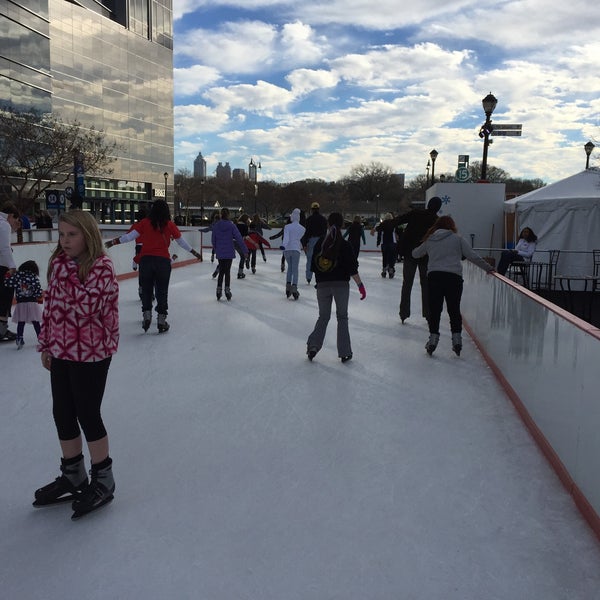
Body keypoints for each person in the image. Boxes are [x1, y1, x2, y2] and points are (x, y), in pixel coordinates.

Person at [34, 210, 119, 519]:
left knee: (87, 413)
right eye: (61, 234)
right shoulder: (58, 265)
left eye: (72, 234)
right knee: (63, 412)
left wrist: (65, 272)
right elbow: (52, 307)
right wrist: (46, 344)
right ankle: (74, 475)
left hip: (93, 351)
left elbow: (85, 307)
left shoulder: (102, 267)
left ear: (88, 235)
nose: (64, 241)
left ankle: (104, 479)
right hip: (62, 349)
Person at [105, 200, 201, 332]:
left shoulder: (144, 223)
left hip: (146, 261)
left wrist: (112, 242)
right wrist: (194, 252)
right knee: (162, 291)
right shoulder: (170, 225)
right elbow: (181, 242)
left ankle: (147, 316)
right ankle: (161, 320)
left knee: (146, 290)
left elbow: (129, 237)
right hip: (163, 262)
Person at [412, 215, 495, 357]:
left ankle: (433, 339)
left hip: (435, 277)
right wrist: (488, 267)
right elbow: (472, 255)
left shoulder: (430, 239)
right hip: (454, 278)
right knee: (454, 309)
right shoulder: (458, 239)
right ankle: (457, 340)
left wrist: (428, 251)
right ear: (452, 226)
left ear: (437, 225)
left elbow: (415, 254)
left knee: (435, 309)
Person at [306, 212, 366, 362]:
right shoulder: (345, 245)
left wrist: (319, 281)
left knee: (323, 316)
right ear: (342, 225)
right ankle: (345, 352)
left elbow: (313, 266)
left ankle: (313, 345)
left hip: (322, 286)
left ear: (328, 224)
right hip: (341, 286)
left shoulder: (320, 243)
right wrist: (360, 286)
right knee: (342, 317)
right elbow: (352, 268)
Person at [394, 196, 442, 324]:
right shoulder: (436, 220)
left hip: (410, 253)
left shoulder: (416, 214)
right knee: (426, 285)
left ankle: (403, 312)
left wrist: (383, 225)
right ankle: (428, 314)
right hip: (425, 256)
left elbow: (399, 220)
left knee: (407, 283)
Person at [5, 260, 43, 349]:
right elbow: (38, 290)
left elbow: (8, 283)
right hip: (32, 302)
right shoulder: (34, 277)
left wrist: (7, 274)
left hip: (21, 303)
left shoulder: (17, 276)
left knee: (21, 322)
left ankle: (19, 338)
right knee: (35, 321)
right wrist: (39, 299)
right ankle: (41, 338)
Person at [211, 208, 248, 300]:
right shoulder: (231, 226)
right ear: (228, 215)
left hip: (220, 251)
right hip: (229, 251)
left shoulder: (216, 225)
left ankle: (218, 290)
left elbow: (213, 240)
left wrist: (216, 249)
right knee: (227, 271)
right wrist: (245, 250)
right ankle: (227, 290)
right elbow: (239, 238)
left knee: (221, 271)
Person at [0, 202, 21, 341]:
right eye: (16, 220)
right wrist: (12, 266)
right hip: (2, 266)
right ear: (11, 216)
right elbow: (5, 248)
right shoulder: (4, 224)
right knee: (5, 296)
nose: (15, 223)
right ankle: (1, 330)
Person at [281, 208, 305, 299]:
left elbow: (286, 238)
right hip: (296, 249)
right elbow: (298, 239)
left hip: (287, 249)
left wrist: (284, 245)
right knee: (295, 269)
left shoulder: (287, 227)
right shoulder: (303, 229)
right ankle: (294, 287)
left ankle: (288, 287)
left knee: (289, 268)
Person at [302, 201, 327, 284]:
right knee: (320, 260)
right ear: (318, 209)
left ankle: (308, 277)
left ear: (312, 210)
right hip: (321, 241)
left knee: (309, 260)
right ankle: (320, 277)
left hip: (311, 241)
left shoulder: (309, 219)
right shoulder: (323, 219)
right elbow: (325, 232)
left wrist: (305, 244)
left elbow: (307, 232)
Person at [372, 212, 397, 278]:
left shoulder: (382, 224)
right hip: (392, 243)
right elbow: (397, 233)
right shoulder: (393, 224)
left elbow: (379, 233)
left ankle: (384, 271)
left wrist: (378, 242)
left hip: (384, 243)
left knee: (385, 257)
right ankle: (391, 270)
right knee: (391, 257)